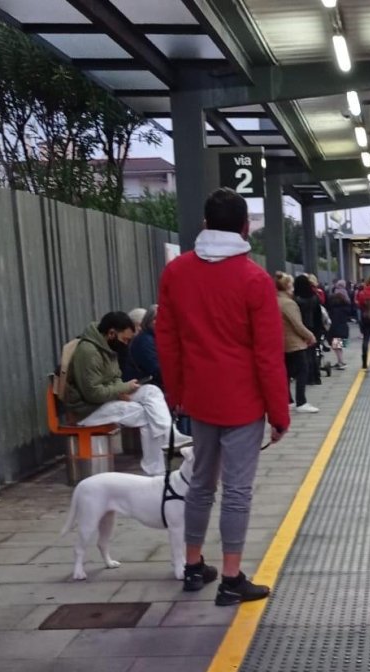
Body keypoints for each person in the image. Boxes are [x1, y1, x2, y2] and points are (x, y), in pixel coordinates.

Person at [156, 187, 291, 602]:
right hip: (243, 401)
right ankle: (232, 579)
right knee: (236, 490)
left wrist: (176, 394)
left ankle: (193, 566)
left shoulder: (177, 272)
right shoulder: (254, 279)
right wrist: (279, 412)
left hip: (199, 397)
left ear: (204, 224)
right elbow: (268, 353)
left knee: (200, 483)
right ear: (245, 228)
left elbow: (168, 339)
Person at [65, 311, 179, 476]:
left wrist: (122, 390)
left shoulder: (106, 345)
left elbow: (114, 377)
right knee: (145, 414)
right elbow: (93, 394)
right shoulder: (89, 352)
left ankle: (169, 433)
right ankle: (156, 469)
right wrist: (122, 389)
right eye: (125, 339)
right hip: (87, 409)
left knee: (151, 391)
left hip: (106, 398)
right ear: (112, 333)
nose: (126, 344)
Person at [277, 272, 318, 413]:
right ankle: (301, 401)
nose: (293, 289)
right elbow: (297, 324)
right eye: (291, 285)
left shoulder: (276, 300)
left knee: (287, 373)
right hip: (295, 342)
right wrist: (310, 336)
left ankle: (288, 400)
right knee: (303, 369)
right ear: (287, 287)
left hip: (282, 342)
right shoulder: (289, 303)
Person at [293, 275, 324, 386]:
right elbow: (319, 316)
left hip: (301, 329)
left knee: (304, 354)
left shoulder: (296, 300)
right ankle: (316, 376)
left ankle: (307, 377)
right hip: (314, 328)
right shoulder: (315, 297)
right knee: (313, 353)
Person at [126, 305, 162, 389]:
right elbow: (156, 369)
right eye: (155, 318)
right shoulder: (145, 341)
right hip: (147, 386)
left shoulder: (156, 338)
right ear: (147, 321)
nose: (159, 321)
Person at [326, 282, 352, 370]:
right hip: (344, 329)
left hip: (335, 329)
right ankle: (340, 361)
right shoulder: (345, 308)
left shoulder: (333, 310)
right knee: (339, 347)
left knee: (336, 347)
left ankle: (340, 362)